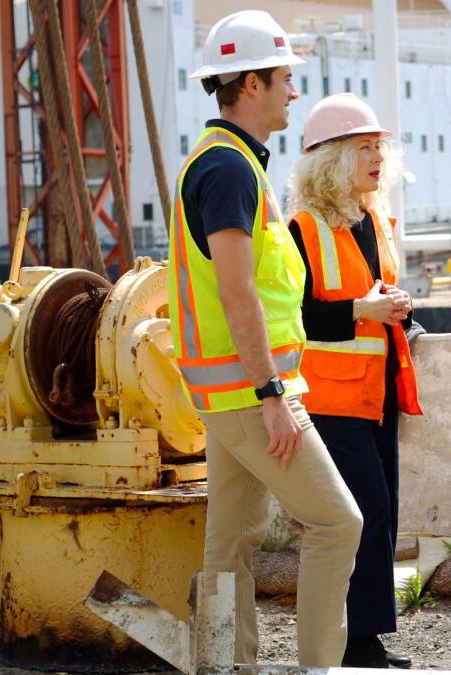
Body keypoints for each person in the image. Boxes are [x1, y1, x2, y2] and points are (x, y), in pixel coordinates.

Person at [167, 10, 363, 667]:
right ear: (249, 84)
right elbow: (237, 292)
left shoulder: (223, 162)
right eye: (284, 78)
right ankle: (318, 666)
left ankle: (223, 665)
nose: (293, 91)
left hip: (226, 395)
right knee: (338, 522)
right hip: (253, 395)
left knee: (228, 548)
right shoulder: (227, 170)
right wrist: (273, 393)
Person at [286, 93, 423, 669]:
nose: (376, 158)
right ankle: (354, 643)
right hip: (332, 398)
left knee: (381, 512)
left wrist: (400, 307)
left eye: (378, 147)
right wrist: (363, 312)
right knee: (357, 516)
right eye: (363, 147)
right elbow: (295, 318)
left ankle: (365, 637)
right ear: (331, 159)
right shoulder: (303, 228)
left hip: (378, 393)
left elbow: (377, 302)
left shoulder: (375, 221)